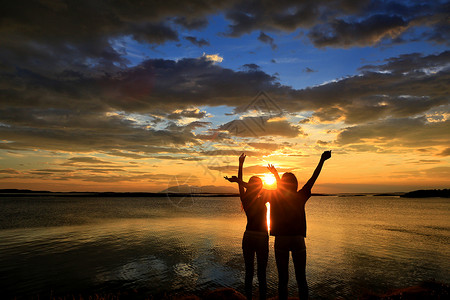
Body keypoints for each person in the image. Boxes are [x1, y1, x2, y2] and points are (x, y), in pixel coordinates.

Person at [268, 150, 332, 300]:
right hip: (297, 239)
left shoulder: (276, 196)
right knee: (301, 279)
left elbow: (279, 189)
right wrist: (322, 160)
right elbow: (313, 178)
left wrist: (276, 174)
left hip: (281, 240)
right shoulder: (300, 196)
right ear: (295, 184)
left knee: (282, 279)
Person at [224, 153, 269, 300]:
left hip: (249, 236)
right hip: (261, 237)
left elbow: (240, 184)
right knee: (260, 273)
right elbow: (240, 183)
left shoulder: (247, 198)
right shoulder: (263, 197)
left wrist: (241, 165)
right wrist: (240, 168)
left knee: (250, 272)